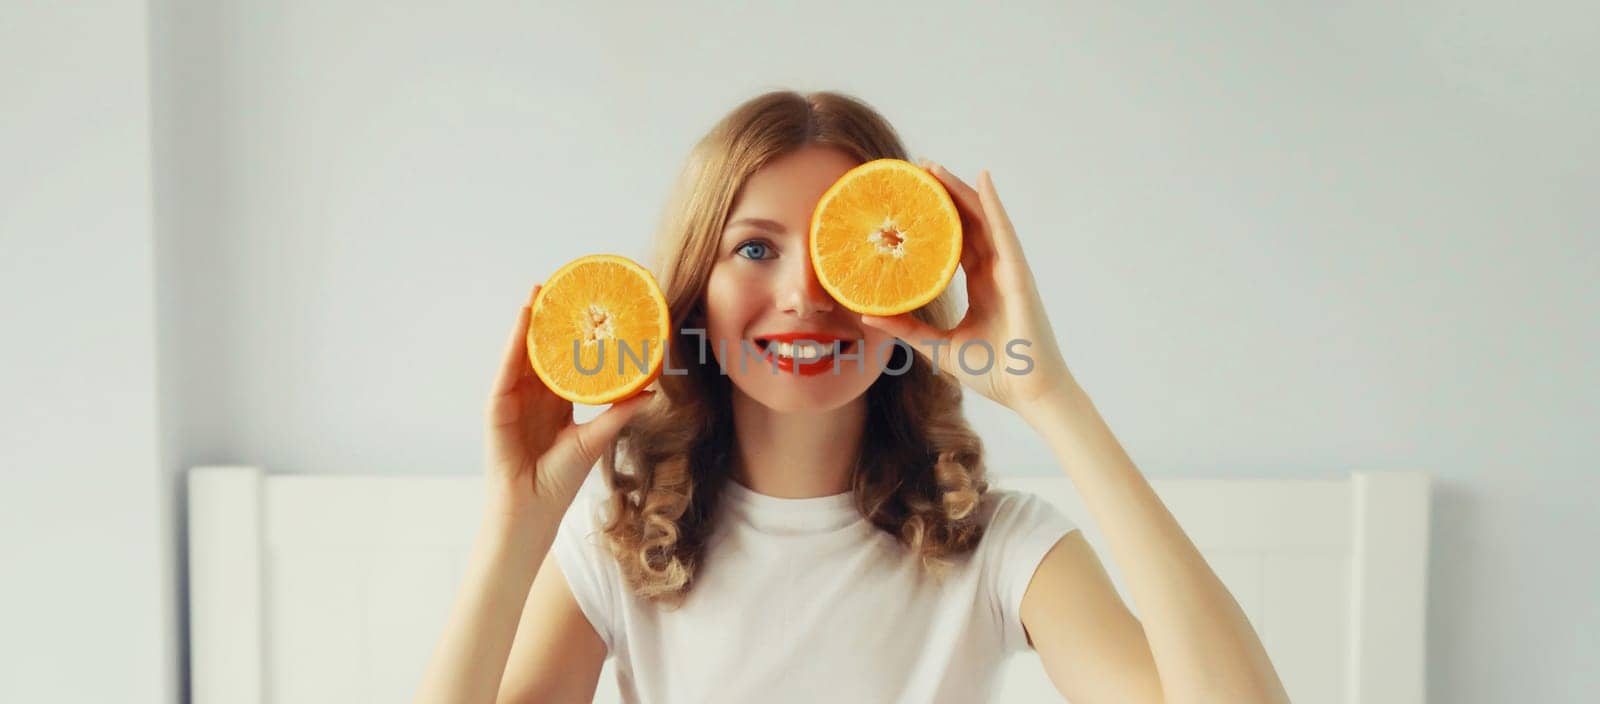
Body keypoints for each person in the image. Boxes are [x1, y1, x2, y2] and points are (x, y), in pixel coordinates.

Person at [416, 90, 1289, 704]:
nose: (807, 294)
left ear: (909, 280)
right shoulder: (620, 555)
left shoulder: (1002, 551)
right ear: (694, 291)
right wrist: (516, 520)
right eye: (755, 250)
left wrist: (1053, 396)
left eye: (846, 248)